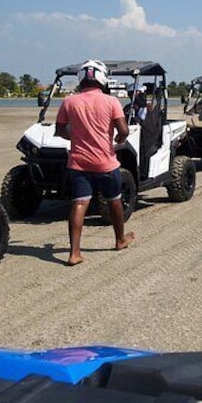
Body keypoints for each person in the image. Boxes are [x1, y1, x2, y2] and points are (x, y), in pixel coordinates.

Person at [55, 59, 135, 266]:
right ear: (102, 78)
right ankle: (120, 239)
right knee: (114, 199)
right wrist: (120, 138)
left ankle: (74, 253)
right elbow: (123, 130)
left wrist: (77, 137)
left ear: (81, 78)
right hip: (105, 163)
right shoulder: (111, 102)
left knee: (79, 203)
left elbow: (60, 130)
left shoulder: (69, 101)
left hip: (78, 163)